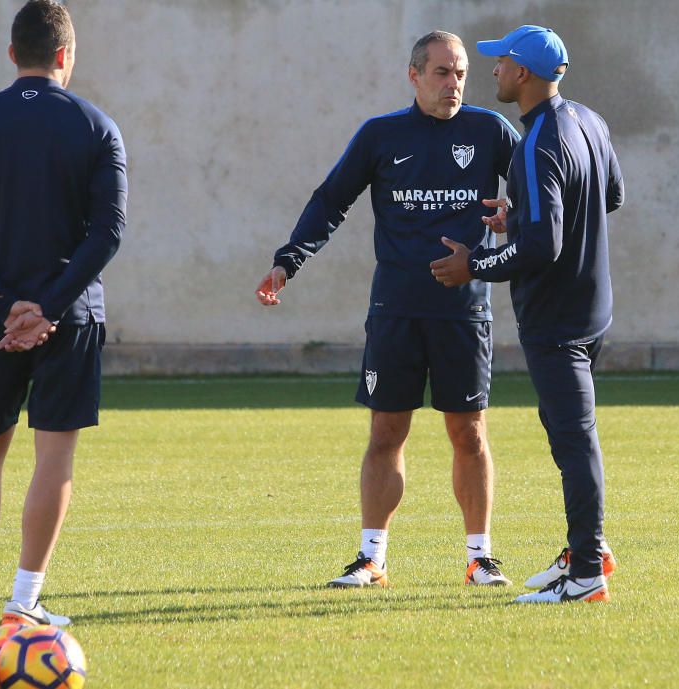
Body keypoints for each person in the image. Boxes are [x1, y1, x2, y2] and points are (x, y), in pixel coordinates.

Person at [256, 31, 520, 587]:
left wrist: (508, 220)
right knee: (385, 433)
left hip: (464, 312)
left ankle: (480, 557)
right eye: (443, 72)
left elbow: (534, 197)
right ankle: (371, 557)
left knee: (469, 434)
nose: (454, 83)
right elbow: (330, 200)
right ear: (415, 74)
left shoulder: (491, 131)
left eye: (462, 73)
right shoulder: (381, 136)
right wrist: (288, 262)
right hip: (396, 309)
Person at [0, 0, 127, 625]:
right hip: (69, 319)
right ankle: (24, 601)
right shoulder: (97, 126)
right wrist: (48, 306)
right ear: (66, 55)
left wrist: (3, 303)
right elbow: (108, 233)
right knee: (54, 455)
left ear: (12, 53)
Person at [430, 25, 624, 603]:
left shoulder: (538, 140)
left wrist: (476, 266)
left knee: (574, 440)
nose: (493, 70)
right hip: (593, 312)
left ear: (524, 74)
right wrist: (521, 219)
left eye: (502, 62)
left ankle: (587, 574)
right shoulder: (588, 119)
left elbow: (544, 248)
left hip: (558, 320)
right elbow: (608, 194)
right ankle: (588, 548)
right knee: (569, 434)